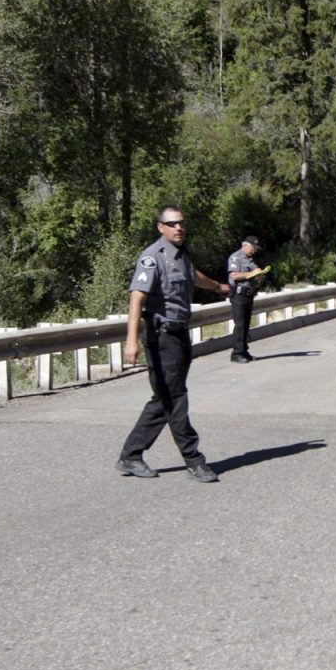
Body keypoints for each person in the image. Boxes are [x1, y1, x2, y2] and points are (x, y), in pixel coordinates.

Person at [114, 206, 231, 484]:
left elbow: (193, 275)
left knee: (165, 398)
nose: (179, 227)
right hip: (160, 336)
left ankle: (130, 455)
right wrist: (131, 341)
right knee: (176, 398)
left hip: (179, 335)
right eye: (172, 223)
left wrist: (217, 286)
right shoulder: (153, 257)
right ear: (160, 227)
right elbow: (136, 298)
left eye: (181, 223)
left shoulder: (182, 254)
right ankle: (194, 459)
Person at [226, 235, 270, 363]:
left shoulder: (251, 260)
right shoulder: (236, 257)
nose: (254, 251)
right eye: (253, 248)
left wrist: (259, 276)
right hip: (239, 295)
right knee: (240, 325)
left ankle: (244, 351)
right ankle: (236, 353)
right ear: (245, 245)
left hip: (249, 294)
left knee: (245, 325)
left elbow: (253, 277)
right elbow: (234, 275)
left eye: (256, 248)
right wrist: (252, 274)